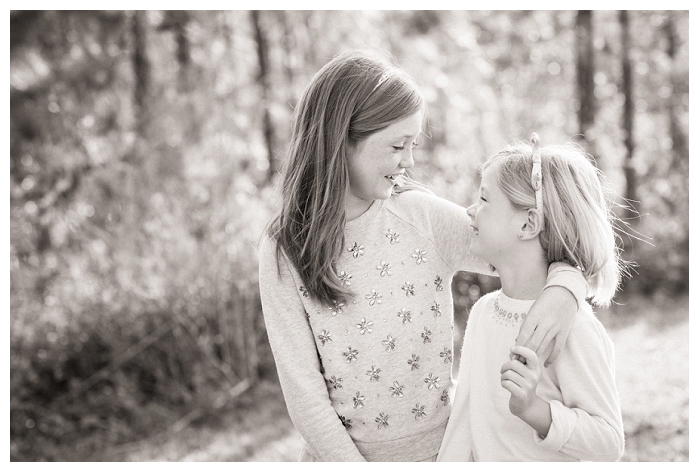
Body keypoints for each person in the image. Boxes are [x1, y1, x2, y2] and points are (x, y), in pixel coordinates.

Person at [258, 51, 587, 462]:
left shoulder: (421, 218)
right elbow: (305, 397)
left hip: (447, 454)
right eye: (398, 145)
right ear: (341, 139)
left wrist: (566, 288)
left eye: (413, 144)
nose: (409, 161)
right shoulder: (283, 249)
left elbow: (531, 248)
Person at [437, 135, 626, 461]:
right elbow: (464, 422)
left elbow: (609, 441)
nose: (470, 211)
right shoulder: (483, 312)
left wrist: (534, 410)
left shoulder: (572, 327)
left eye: (483, 199)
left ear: (528, 223)